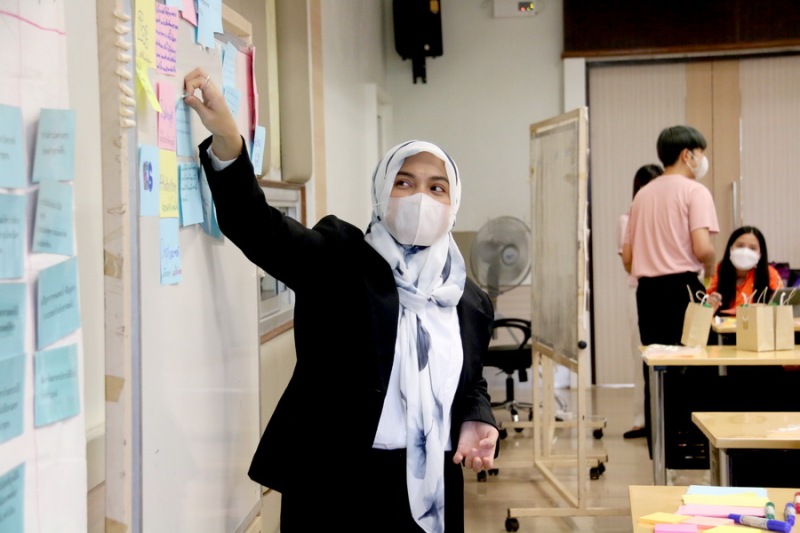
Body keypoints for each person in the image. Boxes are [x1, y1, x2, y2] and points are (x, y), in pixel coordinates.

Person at [183, 68, 499, 533]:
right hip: (334, 487)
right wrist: (229, 142)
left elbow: (470, 383)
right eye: (404, 182)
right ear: (381, 191)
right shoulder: (340, 258)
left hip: (430, 487)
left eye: (436, 187)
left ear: (454, 204)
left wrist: (477, 418)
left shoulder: (469, 302)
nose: (420, 198)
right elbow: (257, 227)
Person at [621, 125, 720, 456]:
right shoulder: (695, 192)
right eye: (700, 153)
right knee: (696, 367)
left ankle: (662, 450)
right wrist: (711, 264)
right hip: (684, 289)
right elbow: (702, 248)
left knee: (657, 368)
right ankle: (695, 447)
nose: (702, 160)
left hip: (648, 293)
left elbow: (629, 259)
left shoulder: (642, 195)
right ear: (687, 154)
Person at [618, 163, 663, 439]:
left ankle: (664, 419)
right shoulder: (628, 218)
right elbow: (628, 262)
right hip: (639, 289)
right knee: (641, 357)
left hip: (665, 291)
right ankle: (641, 419)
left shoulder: (667, 219)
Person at [706, 226, 783, 316]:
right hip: (721, 324)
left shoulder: (770, 274)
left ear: (760, 254)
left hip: (757, 323)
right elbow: (702, 309)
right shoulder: (716, 272)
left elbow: (781, 305)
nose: (745, 251)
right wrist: (708, 307)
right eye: (740, 246)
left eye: (752, 248)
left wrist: (766, 308)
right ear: (730, 249)